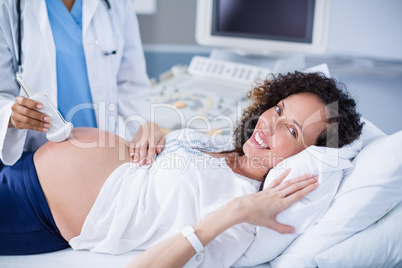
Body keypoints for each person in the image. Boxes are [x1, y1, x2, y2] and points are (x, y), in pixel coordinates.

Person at [0, 72, 363, 267]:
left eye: (292, 131)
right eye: (279, 110)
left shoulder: (243, 211)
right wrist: (153, 130)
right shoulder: (222, 147)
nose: (269, 124)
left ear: (305, 156)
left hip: (30, 209)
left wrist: (236, 212)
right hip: (19, 165)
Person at [0, 0, 163, 166]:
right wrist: (12, 116)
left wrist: (141, 130)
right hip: (33, 160)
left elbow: (132, 86)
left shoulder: (117, 4)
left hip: (107, 156)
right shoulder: (7, 6)